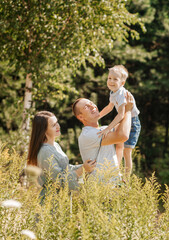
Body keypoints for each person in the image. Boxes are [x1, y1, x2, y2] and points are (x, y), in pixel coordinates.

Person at [27, 111, 96, 198]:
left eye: (57, 122)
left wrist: (86, 166)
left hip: (62, 200)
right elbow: (58, 181)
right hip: (51, 203)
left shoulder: (55, 145)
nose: (58, 126)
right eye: (53, 125)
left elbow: (65, 168)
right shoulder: (45, 151)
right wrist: (81, 170)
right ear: (43, 130)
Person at [72, 92, 133, 182]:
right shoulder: (88, 134)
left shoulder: (104, 129)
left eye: (91, 103)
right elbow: (123, 135)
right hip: (100, 189)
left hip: (114, 184)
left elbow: (120, 143)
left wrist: (117, 173)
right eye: (86, 107)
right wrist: (128, 111)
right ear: (80, 117)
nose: (92, 106)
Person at [98, 65, 141, 175]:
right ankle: (117, 173)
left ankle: (126, 179)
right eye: (109, 78)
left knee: (127, 152)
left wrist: (108, 128)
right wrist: (97, 116)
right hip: (124, 121)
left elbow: (121, 114)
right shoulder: (113, 92)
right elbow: (109, 107)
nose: (111, 81)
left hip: (132, 123)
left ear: (122, 83)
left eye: (115, 79)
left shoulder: (121, 94)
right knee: (118, 148)